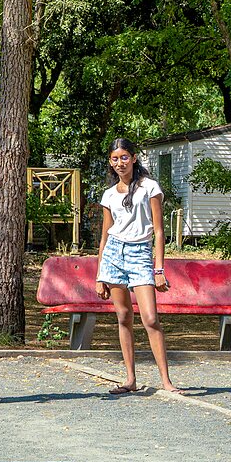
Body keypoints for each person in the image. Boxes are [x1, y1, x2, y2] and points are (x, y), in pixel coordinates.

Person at [95, 137, 183, 394]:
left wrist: (159, 269)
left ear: (133, 158)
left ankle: (166, 381)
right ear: (110, 162)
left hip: (140, 253)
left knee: (150, 319)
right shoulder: (109, 194)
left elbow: (159, 231)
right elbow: (105, 236)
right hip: (114, 255)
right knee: (123, 316)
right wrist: (100, 275)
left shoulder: (149, 187)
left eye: (124, 157)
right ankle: (130, 379)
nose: (120, 163)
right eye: (115, 159)